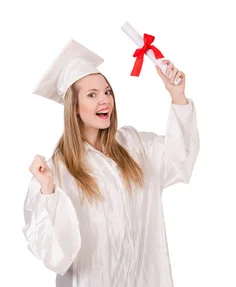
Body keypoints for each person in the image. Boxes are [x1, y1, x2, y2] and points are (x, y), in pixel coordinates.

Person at [23, 39, 199, 287]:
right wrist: (48, 191)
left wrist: (177, 96)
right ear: (74, 107)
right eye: (92, 95)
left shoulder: (134, 147)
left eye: (107, 92)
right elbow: (53, 254)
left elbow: (179, 156)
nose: (104, 100)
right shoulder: (58, 171)